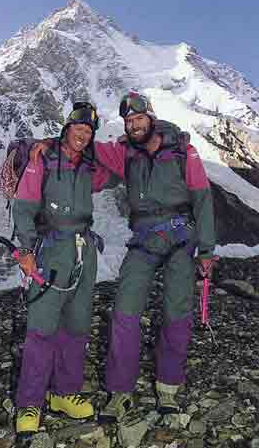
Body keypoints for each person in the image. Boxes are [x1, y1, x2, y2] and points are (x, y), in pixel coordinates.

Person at [32, 92, 216, 422]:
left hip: (181, 239)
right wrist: (49, 142)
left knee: (177, 311)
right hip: (144, 240)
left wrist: (207, 250)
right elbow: (84, 146)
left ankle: (168, 388)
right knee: (124, 311)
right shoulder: (123, 153)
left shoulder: (182, 152)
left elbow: (202, 199)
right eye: (128, 122)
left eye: (138, 119)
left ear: (151, 117)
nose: (133, 125)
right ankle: (120, 392)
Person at [12, 101, 114, 434]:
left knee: (77, 325)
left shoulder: (90, 166)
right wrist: (25, 249)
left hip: (85, 251)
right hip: (51, 249)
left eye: (88, 131)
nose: (83, 136)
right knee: (41, 328)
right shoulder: (43, 158)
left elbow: (117, 169)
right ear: (66, 128)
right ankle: (30, 402)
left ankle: (64, 394)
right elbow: (25, 205)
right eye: (78, 129)